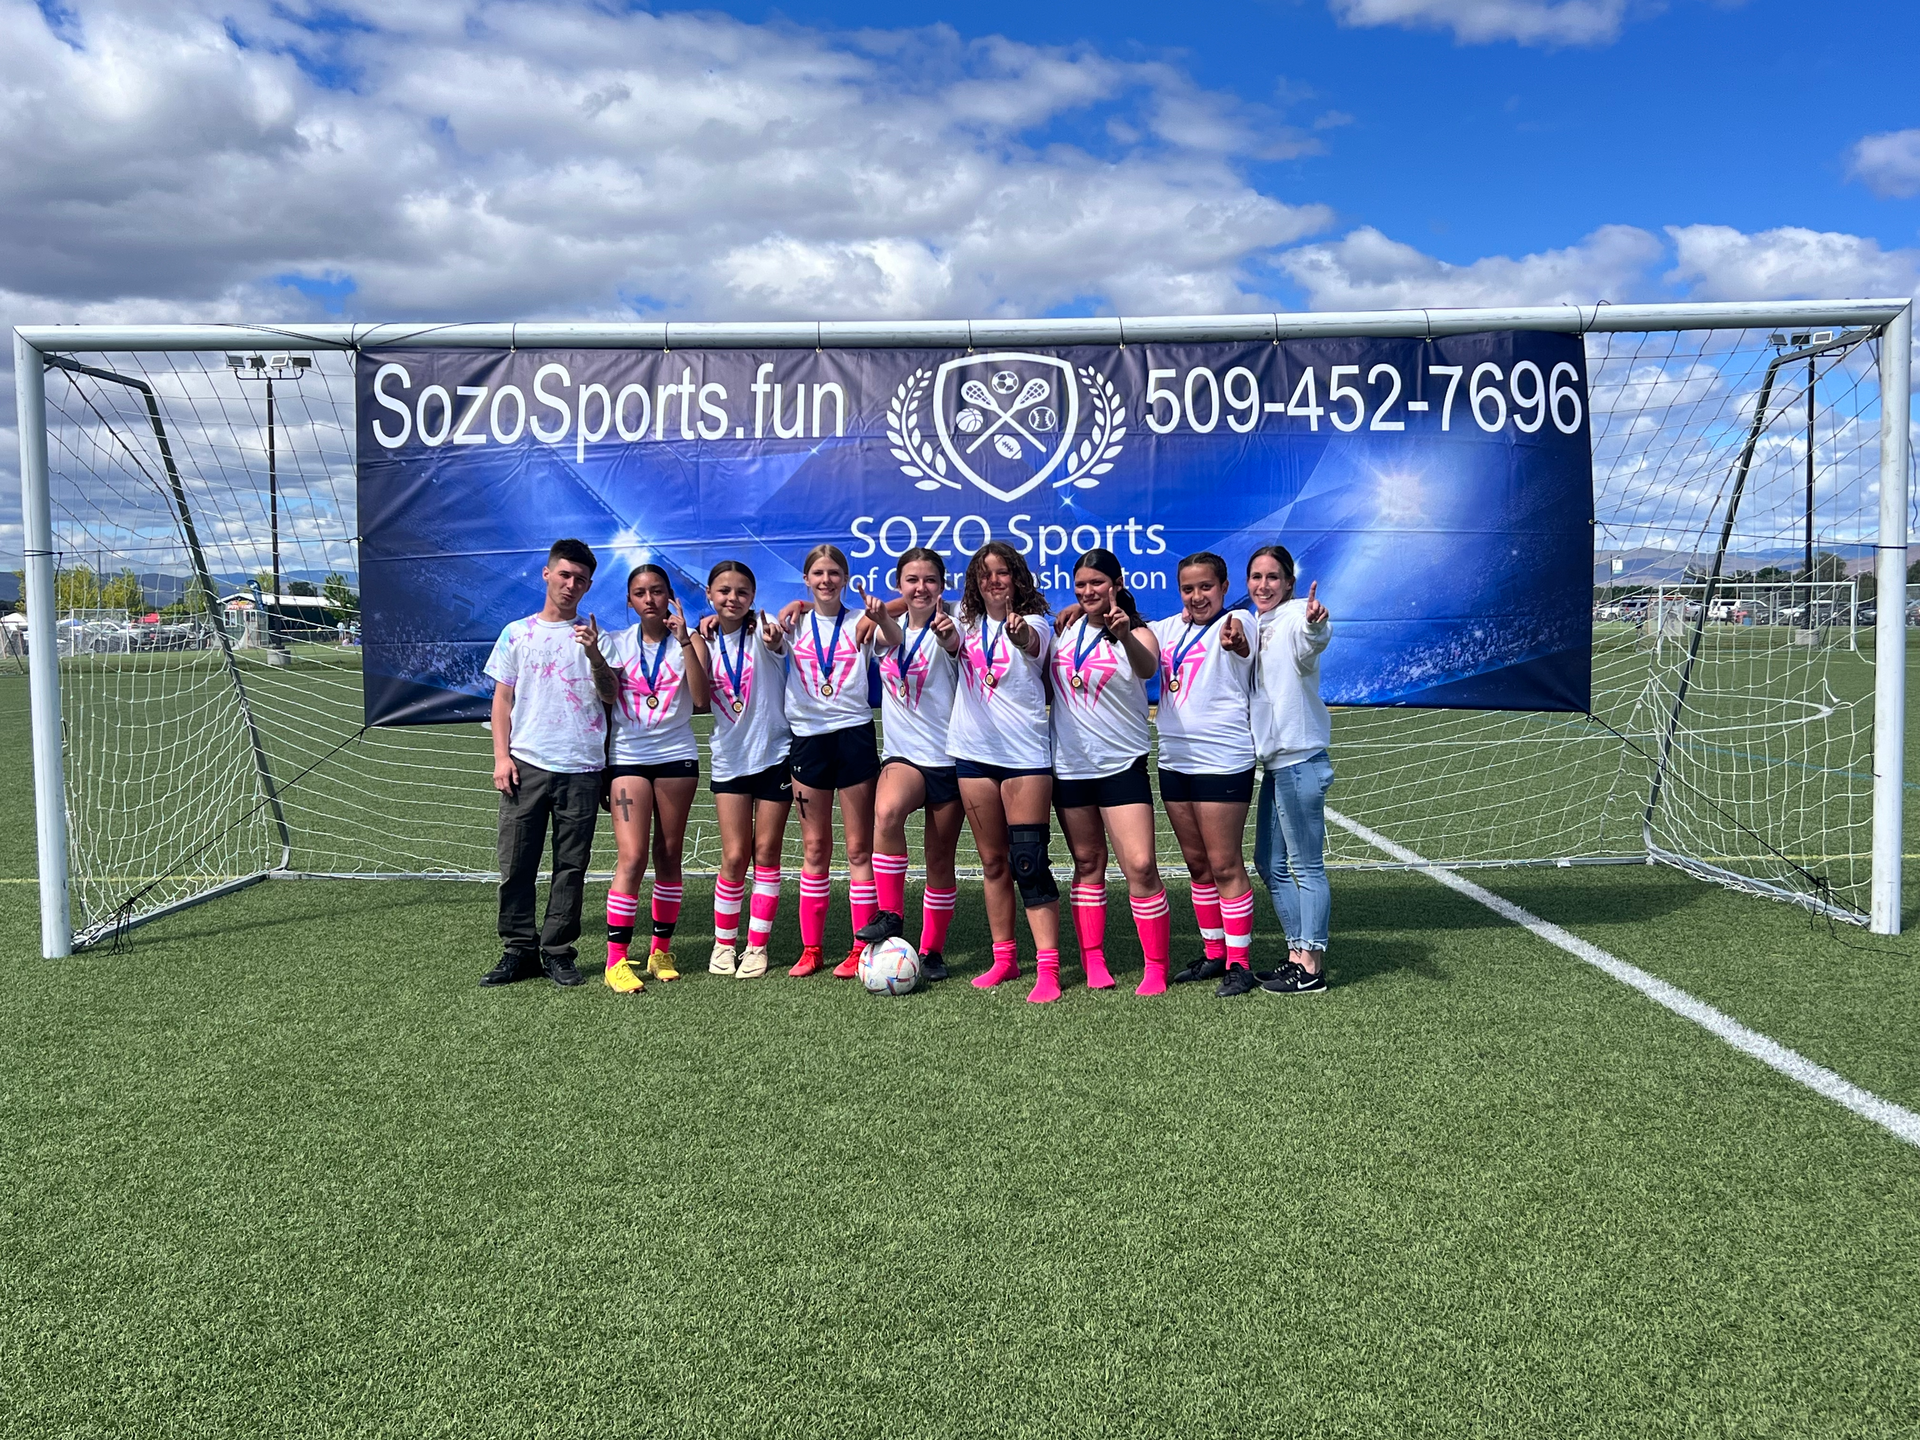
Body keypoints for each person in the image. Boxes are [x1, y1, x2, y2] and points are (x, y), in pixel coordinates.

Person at [481, 538, 617, 988]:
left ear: (589, 585)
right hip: (527, 764)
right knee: (517, 863)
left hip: (581, 766)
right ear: (547, 573)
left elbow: (610, 695)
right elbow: (502, 701)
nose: (571, 584)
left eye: (580, 579)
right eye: (564, 574)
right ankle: (517, 949)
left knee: (571, 865)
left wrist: (594, 652)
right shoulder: (517, 633)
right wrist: (502, 757)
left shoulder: (599, 638)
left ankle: (558, 950)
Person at [1048, 550, 1178, 996]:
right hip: (1069, 765)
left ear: (1117, 584)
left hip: (1120, 764)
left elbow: (1147, 669)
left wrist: (1123, 637)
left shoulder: (1139, 631)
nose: (1088, 592)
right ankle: (1094, 963)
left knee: (1140, 866)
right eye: (1081, 585)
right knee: (1087, 863)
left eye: (1097, 584)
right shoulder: (1065, 629)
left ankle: (1156, 967)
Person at [946, 541, 1063, 1002]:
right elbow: (925, 613)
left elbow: (1030, 645)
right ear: (976, 583)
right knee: (993, 863)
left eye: (1002, 573)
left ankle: (1049, 969)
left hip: (1024, 758)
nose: (994, 581)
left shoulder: (1034, 623)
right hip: (973, 754)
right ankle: (1005, 959)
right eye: (984, 574)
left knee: (1028, 863)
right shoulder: (964, 620)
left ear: (1017, 579)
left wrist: (1017, 634)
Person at [1152, 552, 1261, 998]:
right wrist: (1076, 610)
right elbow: (1125, 628)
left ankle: (1241, 963)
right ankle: (1215, 954)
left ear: (1223, 586)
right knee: (1197, 865)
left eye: (1206, 587)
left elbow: (1244, 641)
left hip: (1223, 759)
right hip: (1174, 760)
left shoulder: (1238, 621)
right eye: (1188, 588)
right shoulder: (1167, 629)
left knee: (1224, 863)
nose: (1197, 596)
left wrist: (1236, 640)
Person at [852, 548, 964, 982]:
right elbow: (893, 636)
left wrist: (947, 633)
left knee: (940, 859)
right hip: (904, 755)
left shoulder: (954, 627)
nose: (921, 588)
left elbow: (954, 638)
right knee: (887, 812)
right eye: (912, 580)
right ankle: (891, 915)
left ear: (943, 585)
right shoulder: (885, 634)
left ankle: (932, 952)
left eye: (931, 580)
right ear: (899, 585)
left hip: (951, 757)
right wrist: (883, 614)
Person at [598, 564, 709, 994]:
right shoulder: (616, 643)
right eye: (640, 593)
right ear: (629, 601)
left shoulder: (691, 639)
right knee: (632, 857)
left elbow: (701, 699)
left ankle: (660, 950)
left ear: (670, 597)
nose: (649, 599)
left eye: (657, 591)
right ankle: (616, 960)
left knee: (668, 854)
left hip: (676, 756)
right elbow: (605, 702)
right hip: (627, 757)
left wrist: (684, 640)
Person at [782, 544, 887, 979]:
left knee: (860, 848)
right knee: (814, 848)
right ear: (806, 579)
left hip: (854, 736)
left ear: (845, 578)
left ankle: (860, 946)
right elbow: (739, 620)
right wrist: (797, 606)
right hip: (808, 741)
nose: (826, 580)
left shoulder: (862, 623)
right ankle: (812, 949)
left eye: (834, 573)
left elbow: (900, 609)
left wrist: (876, 612)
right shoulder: (789, 623)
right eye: (818, 573)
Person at [700, 560, 794, 981]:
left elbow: (778, 640)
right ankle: (724, 945)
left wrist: (774, 635)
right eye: (723, 591)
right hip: (729, 758)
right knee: (735, 856)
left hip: (774, 754)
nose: (731, 598)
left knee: (767, 854)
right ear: (709, 595)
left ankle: (756, 946)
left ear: (753, 597)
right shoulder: (700, 639)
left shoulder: (765, 628)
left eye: (740, 591)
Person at [1246, 545, 1334, 996]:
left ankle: (1312, 966)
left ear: (1290, 584)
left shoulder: (1299, 615)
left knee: (1306, 865)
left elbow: (1310, 639)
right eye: (1257, 577)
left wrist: (1317, 624)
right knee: (1268, 861)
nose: (1264, 585)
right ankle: (1296, 953)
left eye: (1273, 577)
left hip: (1301, 762)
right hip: (1278, 766)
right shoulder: (1254, 623)